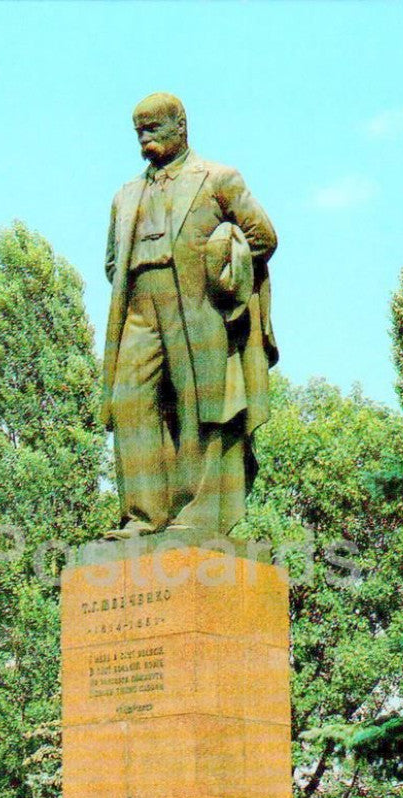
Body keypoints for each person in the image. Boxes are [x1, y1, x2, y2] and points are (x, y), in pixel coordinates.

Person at [102, 92, 279, 539]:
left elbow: (263, 237)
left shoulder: (218, 179)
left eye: (153, 128)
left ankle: (196, 515)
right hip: (140, 305)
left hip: (197, 305)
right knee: (130, 403)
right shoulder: (125, 195)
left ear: (180, 126)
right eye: (138, 131)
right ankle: (143, 516)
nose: (144, 138)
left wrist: (223, 271)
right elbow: (112, 263)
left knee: (198, 406)